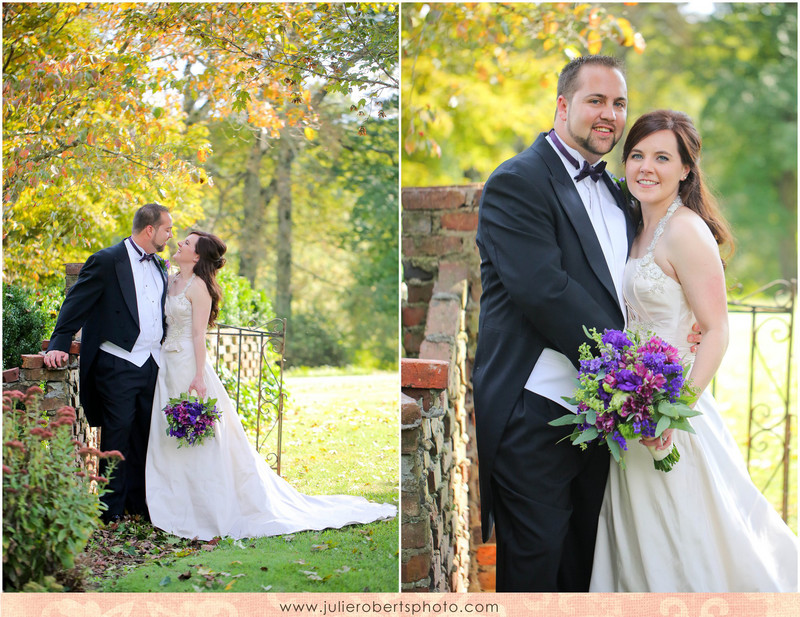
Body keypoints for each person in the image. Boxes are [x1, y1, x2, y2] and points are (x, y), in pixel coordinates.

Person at [473, 55, 702, 591]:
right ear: (562, 105)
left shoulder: (622, 193)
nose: (609, 114)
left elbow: (646, 273)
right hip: (536, 412)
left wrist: (681, 327)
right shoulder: (517, 181)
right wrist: (638, 367)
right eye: (595, 100)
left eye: (618, 103)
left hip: (605, 416)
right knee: (535, 569)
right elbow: (545, 292)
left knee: (586, 568)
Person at [589, 110, 798, 592]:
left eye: (663, 157)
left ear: (686, 169)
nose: (646, 167)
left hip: (675, 415)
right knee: (642, 541)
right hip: (633, 411)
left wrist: (672, 412)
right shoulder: (635, 226)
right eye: (637, 154)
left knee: (687, 537)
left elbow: (716, 329)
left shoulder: (684, 230)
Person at [145, 231, 396, 540]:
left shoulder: (199, 288)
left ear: (196, 256)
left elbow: (199, 335)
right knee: (169, 435)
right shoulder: (171, 280)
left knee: (201, 438)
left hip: (188, 365)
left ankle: (206, 508)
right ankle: (173, 502)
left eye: (186, 243)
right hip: (166, 366)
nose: (180, 243)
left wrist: (199, 375)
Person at [45, 203, 173, 522]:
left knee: (145, 434)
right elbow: (75, 303)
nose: (171, 235)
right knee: (117, 435)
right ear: (149, 230)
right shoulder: (106, 261)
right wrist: (58, 343)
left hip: (152, 363)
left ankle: (140, 507)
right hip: (118, 362)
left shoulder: (160, 265)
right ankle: (110, 512)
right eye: (167, 229)